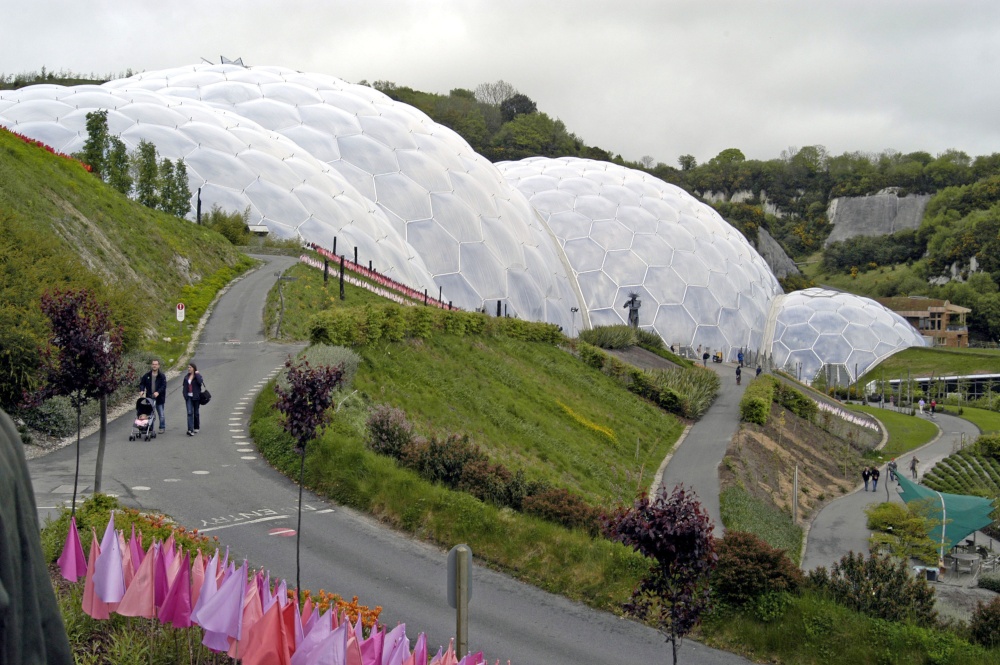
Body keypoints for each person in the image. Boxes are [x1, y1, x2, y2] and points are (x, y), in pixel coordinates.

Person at [138, 358, 167, 433]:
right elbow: (142, 383)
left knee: (161, 414)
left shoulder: (162, 376)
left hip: (159, 398)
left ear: (158, 366)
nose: (154, 366)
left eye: (156, 364)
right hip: (150, 397)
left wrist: (158, 392)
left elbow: (163, 386)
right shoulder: (147, 375)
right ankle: (150, 429)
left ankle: (162, 427)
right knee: (150, 414)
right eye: (153, 364)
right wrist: (142, 390)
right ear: (151, 365)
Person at [183, 362, 205, 436]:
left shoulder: (197, 376)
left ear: (194, 368)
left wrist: (197, 374)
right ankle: (190, 430)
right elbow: (184, 386)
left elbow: (200, 382)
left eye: (190, 367)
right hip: (188, 397)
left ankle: (196, 427)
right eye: (188, 367)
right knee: (189, 413)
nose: (189, 369)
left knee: (196, 413)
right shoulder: (186, 377)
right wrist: (185, 395)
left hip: (196, 397)